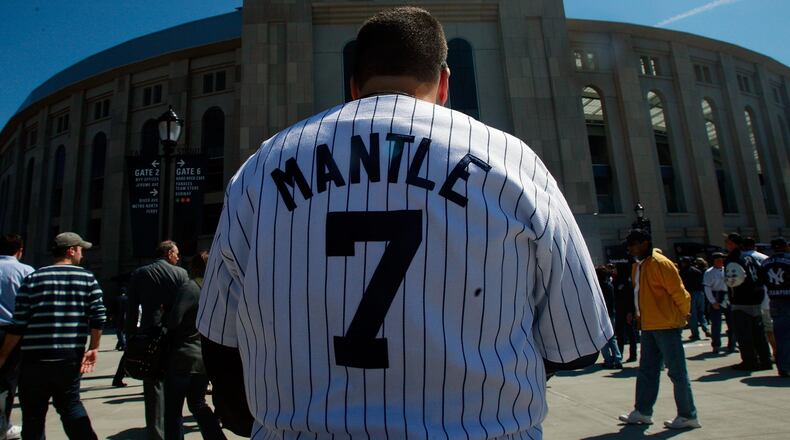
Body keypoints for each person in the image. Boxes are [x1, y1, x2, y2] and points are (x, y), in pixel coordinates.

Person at [197, 7, 613, 439]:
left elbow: (219, 345)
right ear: (445, 82)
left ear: (354, 86)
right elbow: (577, 346)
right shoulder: (513, 161)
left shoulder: (261, 169)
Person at [0, 232, 105, 439]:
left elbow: (19, 324)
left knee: (33, 416)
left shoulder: (33, 278)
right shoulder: (86, 278)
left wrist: (3, 356)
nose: (82, 255)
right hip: (68, 357)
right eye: (80, 250)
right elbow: (98, 316)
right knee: (71, 407)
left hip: (33, 360)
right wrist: (93, 347)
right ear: (71, 250)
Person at [619, 229, 700, 430]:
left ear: (645, 243)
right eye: (629, 245)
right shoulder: (639, 266)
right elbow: (638, 294)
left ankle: (688, 414)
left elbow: (679, 292)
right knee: (647, 370)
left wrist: (685, 313)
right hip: (649, 325)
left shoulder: (660, 264)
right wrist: (635, 314)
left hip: (665, 325)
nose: (630, 248)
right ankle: (643, 411)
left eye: (634, 244)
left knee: (677, 371)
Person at [127, 241, 189, 440]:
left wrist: (131, 337)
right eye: (176, 253)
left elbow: (132, 309)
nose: (178, 257)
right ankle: (175, 434)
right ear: (169, 253)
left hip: (147, 335)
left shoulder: (140, 273)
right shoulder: (181, 274)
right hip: (173, 335)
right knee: (175, 387)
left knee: (152, 386)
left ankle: (155, 434)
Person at [163, 251, 225, 439]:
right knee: (198, 404)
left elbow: (174, 321)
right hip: (203, 358)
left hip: (182, 357)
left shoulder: (190, 287)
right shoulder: (216, 289)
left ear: (194, 266)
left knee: (173, 411)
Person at [0, 234, 34, 440]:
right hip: (12, 333)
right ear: (19, 250)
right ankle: (4, 424)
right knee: (9, 378)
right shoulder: (25, 271)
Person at [724, 232, 772, 371]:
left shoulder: (733, 258)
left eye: (727, 242)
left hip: (741, 300)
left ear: (733, 243)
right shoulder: (749, 257)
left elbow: (734, 279)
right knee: (759, 333)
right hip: (755, 298)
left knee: (744, 334)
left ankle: (750, 361)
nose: (726, 244)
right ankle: (765, 360)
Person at [762, 237, 790, 377]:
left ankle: (783, 366)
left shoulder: (765, 262)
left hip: (774, 300)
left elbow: (760, 282)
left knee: (780, 335)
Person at [704, 252, 735, 354]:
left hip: (728, 297)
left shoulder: (727, 270)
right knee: (716, 324)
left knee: (732, 323)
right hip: (716, 296)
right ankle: (716, 345)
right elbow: (707, 288)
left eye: (721, 260)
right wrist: (713, 301)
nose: (720, 262)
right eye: (717, 260)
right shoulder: (709, 272)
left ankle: (732, 344)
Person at [597, 266, 623, 368]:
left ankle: (608, 360)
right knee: (612, 337)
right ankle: (618, 358)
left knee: (602, 337)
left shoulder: (598, 287)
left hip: (601, 314)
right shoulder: (609, 286)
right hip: (611, 313)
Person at [679, 257, 710, 341]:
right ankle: (706, 328)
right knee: (701, 313)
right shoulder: (697, 271)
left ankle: (695, 334)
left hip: (690, 294)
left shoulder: (683, 272)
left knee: (693, 315)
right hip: (700, 293)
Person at [613, 264, 638, 362]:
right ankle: (619, 355)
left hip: (627, 312)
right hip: (619, 312)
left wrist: (630, 312)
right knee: (619, 335)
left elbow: (630, 298)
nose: (614, 270)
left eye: (616, 269)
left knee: (631, 335)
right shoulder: (616, 281)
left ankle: (633, 355)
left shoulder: (627, 282)